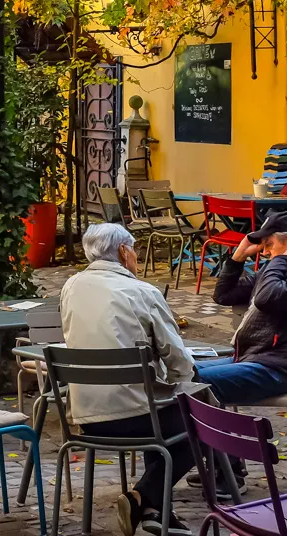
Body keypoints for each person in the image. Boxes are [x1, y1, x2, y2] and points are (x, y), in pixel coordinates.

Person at [59, 223, 196, 536]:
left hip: (87, 418)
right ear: (123, 251)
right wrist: (183, 378)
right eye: (133, 249)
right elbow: (176, 357)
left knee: (159, 407)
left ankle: (154, 513)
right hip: (134, 416)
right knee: (196, 424)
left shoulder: (71, 287)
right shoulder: (142, 291)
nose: (135, 255)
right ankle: (140, 497)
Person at [195, 211, 287, 495]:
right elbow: (224, 295)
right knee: (184, 375)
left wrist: (280, 260)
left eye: (270, 244)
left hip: (283, 369)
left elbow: (266, 298)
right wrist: (237, 258)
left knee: (197, 384)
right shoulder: (279, 271)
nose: (266, 251)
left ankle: (228, 471)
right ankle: (225, 466)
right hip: (254, 359)